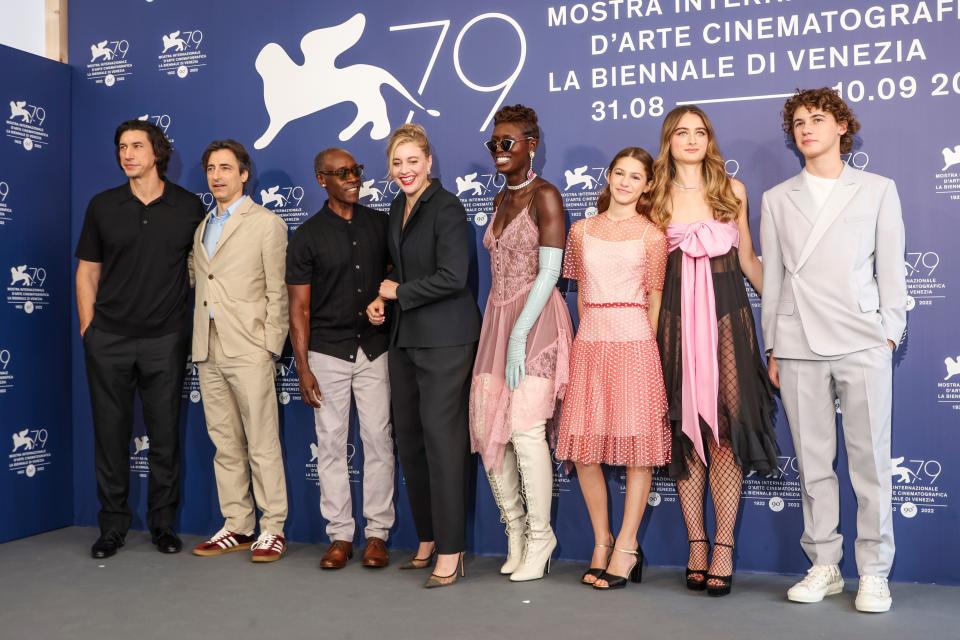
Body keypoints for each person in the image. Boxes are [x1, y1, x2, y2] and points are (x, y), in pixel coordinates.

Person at [761, 88, 906, 613]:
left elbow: (892, 269)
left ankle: (873, 572)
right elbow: (773, 279)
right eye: (798, 121)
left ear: (842, 126)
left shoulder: (876, 189)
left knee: (870, 463)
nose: (806, 128)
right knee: (814, 463)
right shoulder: (777, 198)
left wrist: (888, 332)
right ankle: (824, 565)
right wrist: (774, 345)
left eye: (817, 119)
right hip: (798, 343)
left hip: (861, 339)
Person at [650, 105, 779, 597]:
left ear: (709, 139)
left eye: (699, 132)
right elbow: (650, 278)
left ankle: (723, 544)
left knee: (725, 428)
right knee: (686, 429)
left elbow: (748, 259)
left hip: (728, 320)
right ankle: (696, 543)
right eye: (681, 132)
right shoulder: (654, 196)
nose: (691, 139)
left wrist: (787, 317)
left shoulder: (732, 191)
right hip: (675, 323)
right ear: (669, 140)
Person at [76, 119, 204, 558]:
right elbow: (87, 271)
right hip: (108, 338)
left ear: (157, 153)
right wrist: (89, 329)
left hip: (164, 340)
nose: (127, 154)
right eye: (121, 147)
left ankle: (163, 526)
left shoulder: (189, 208)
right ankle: (111, 527)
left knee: (165, 436)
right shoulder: (102, 206)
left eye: (136, 146)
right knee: (110, 436)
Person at [366, 124, 481, 588]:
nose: (405, 170)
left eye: (413, 161)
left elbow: (454, 277)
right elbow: (402, 270)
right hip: (405, 338)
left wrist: (400, 291)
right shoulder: (396, 206)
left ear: (429, 162)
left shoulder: (448, 208)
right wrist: (384, 299)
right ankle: (429, 538)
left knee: (443, 444)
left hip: (447, 341)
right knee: (411, 442)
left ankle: (452, 551)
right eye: (397, 162)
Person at [555, 147, 670, 590]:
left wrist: (650, 348)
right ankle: (601, 541)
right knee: (585, 451)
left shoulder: (653, 236)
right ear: (609, 177)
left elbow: (655, 299)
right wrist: (588, 335)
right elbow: (579, 293)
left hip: (636, 341)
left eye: (635, 176)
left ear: (647, 185)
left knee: (640, 452)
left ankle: (626, 546)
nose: (624, 182)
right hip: (592, 341)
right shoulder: (582, 232)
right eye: (619, 173)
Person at [468, 105, 572, 582]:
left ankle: (540, 536)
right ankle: (512, 529)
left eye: (508, 142)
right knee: (492, 430)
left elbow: (549, 272)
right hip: (496, 321)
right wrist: (503, 333)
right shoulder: (497, 200)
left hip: (535, 322)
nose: (499, 151)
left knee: (527, 434)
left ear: (532, 143)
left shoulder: (545, 196)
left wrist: (518, 337)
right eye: (494, 143)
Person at [286, 148, 394, 570]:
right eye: (341, 173)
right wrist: (303, 366)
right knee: (330, 445)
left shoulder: (381, 225)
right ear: (321, 180)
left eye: (356, 170)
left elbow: (399, 273)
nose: (352, 178)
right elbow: (298, 309)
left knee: (379, 442)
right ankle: (340, 536)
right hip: (326, 353)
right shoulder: (307, 236)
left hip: (374, 348)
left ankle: (378, 535)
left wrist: (385, 295)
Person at [188, 140, 290, 562]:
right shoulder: (202, 225)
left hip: (249, 347)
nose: (217, 175)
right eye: (211, 168)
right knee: (225, 442)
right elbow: (201, 280)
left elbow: (277, 291)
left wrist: (270, 345)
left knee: (262, 442)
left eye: (226, 168)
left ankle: (273, 527)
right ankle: (237, 524)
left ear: (244, 174)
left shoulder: (265, 223)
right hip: (207, 348)